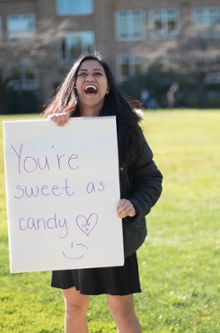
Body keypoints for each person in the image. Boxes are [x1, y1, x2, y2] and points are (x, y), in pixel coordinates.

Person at [42, 52, 163, 333]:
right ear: (74, 85)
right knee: (74, 308)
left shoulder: (127, 130)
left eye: (98, 73)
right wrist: (53, 133)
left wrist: (134, 204)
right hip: (69, 233)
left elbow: (150, 178)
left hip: (114, 235)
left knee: (122, 312)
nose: (90, 78)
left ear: (108, 86)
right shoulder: (55, 129)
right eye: (82, 74)